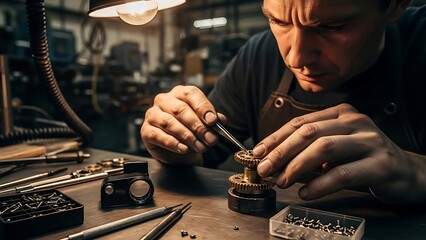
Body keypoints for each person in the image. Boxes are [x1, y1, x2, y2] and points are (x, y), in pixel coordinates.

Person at [141, 0, 426, 205]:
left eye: (331, 26)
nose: (295, 58)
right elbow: (203, 153)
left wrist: (415, 173)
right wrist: (172, 145)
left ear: (395, 5)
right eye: (279, 21)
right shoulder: (257, 56)